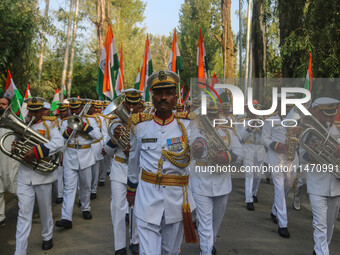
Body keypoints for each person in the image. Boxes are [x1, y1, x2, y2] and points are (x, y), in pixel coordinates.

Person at [126, 70, 198, 255]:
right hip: (147, 196)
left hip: (177, 199)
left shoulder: (189, 125)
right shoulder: (139, 125)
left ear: (176, 97)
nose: (163, 97)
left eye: (168, 93)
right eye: (158, 93)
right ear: (153, 97)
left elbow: (197, 160)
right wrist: (131, 188)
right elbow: (133, 160)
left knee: (171, 251)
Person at [190, 102, 244, 255]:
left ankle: (209, 243)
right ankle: (205, 250)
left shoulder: (228, 131)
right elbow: (192, 150)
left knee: (216, 220)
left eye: (214, 115)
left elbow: (240, 153)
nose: (212, 118)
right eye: (209, 115)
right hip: (200, 180)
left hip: (222, 183)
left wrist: (226, 157)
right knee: (205, 221)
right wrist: (198, 149)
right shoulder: (195, 131)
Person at [14, 97, 63, 254]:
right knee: (23, 214)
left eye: (36, 111)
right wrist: (16, 147)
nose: (32, 114)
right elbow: (17, 142)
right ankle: (19, 251)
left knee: (45, 209)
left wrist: (36, 152)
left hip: (43, 175)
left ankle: (47, 236)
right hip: (24, 175)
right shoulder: (23, 124)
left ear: (43, 111)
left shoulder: (50, 124)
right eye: (30, 110)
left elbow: (58, 143)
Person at [105, 89, 142, 255]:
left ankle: (135, 240)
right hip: (120, 168)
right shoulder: (115, 121)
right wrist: (115, 137)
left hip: (139, 169)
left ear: (141, 103)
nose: (132, 107)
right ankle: (119, 246)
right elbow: (107, 149)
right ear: (124, 103)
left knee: (137, 207)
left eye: (136, 103)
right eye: (129, 103)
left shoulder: (146, 118)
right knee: (118, 208)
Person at [55, 98, 102, 229]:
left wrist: (84, 127)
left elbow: (98, 136)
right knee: (69, 188)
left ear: (81, 108)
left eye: (77, 108)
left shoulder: (91, 120)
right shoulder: (65, 122)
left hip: (86, 156)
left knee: (85, 186)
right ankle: (66, 218)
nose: (75, 111)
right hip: (70, 157)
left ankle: (86, 208)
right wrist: (70, 129)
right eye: (73, 108)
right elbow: (61, 140)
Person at [302, 97, 340, 255]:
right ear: (316, 112)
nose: (329, 119)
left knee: (329, 225)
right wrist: (314, 154)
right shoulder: (309, 130)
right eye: (325, 115)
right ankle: (321, 252)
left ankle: (320, 249)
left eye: (332, 115)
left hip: (336, 184)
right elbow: (303, 154)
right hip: (317, 184)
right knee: (320, 225)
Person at [261, 95, 299, 238]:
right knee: (279, 190)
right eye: (284, 105)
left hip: (291, 160)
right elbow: (263, 139)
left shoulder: (296, 121)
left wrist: (298, 133)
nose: (287, 109)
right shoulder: (270, 121)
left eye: (289, 106)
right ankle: (283, 224)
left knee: (286, 190)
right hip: (276, 159)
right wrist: (277, 146)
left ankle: (275, 210)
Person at [236, 101, 266, 211]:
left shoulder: (264, 121)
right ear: (247, 111)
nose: (255, 114)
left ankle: (254, 193)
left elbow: (267, 136)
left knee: (258, 174)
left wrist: (262, 128)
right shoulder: (241, 120)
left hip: (260, 149)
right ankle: (249, 200)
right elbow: (240, 138)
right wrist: (250, 128)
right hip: (247, 148)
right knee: (249, 174)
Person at [0, 97, 20, 228]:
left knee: (17, 189)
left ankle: (25, 212)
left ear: (9, 106)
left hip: (12, 160)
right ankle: (1, 217)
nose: (0, 106)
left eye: (3, 104)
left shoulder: (16, 122)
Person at [55, 102, 69, 204]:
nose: (62, 113)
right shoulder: (55, 120)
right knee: (59, 171)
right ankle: (60, 194)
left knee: (68, 173)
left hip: (68, 149)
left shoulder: (70, 120)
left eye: (64, 111)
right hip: (57, 149)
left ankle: (67, 192)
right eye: (61, 111)